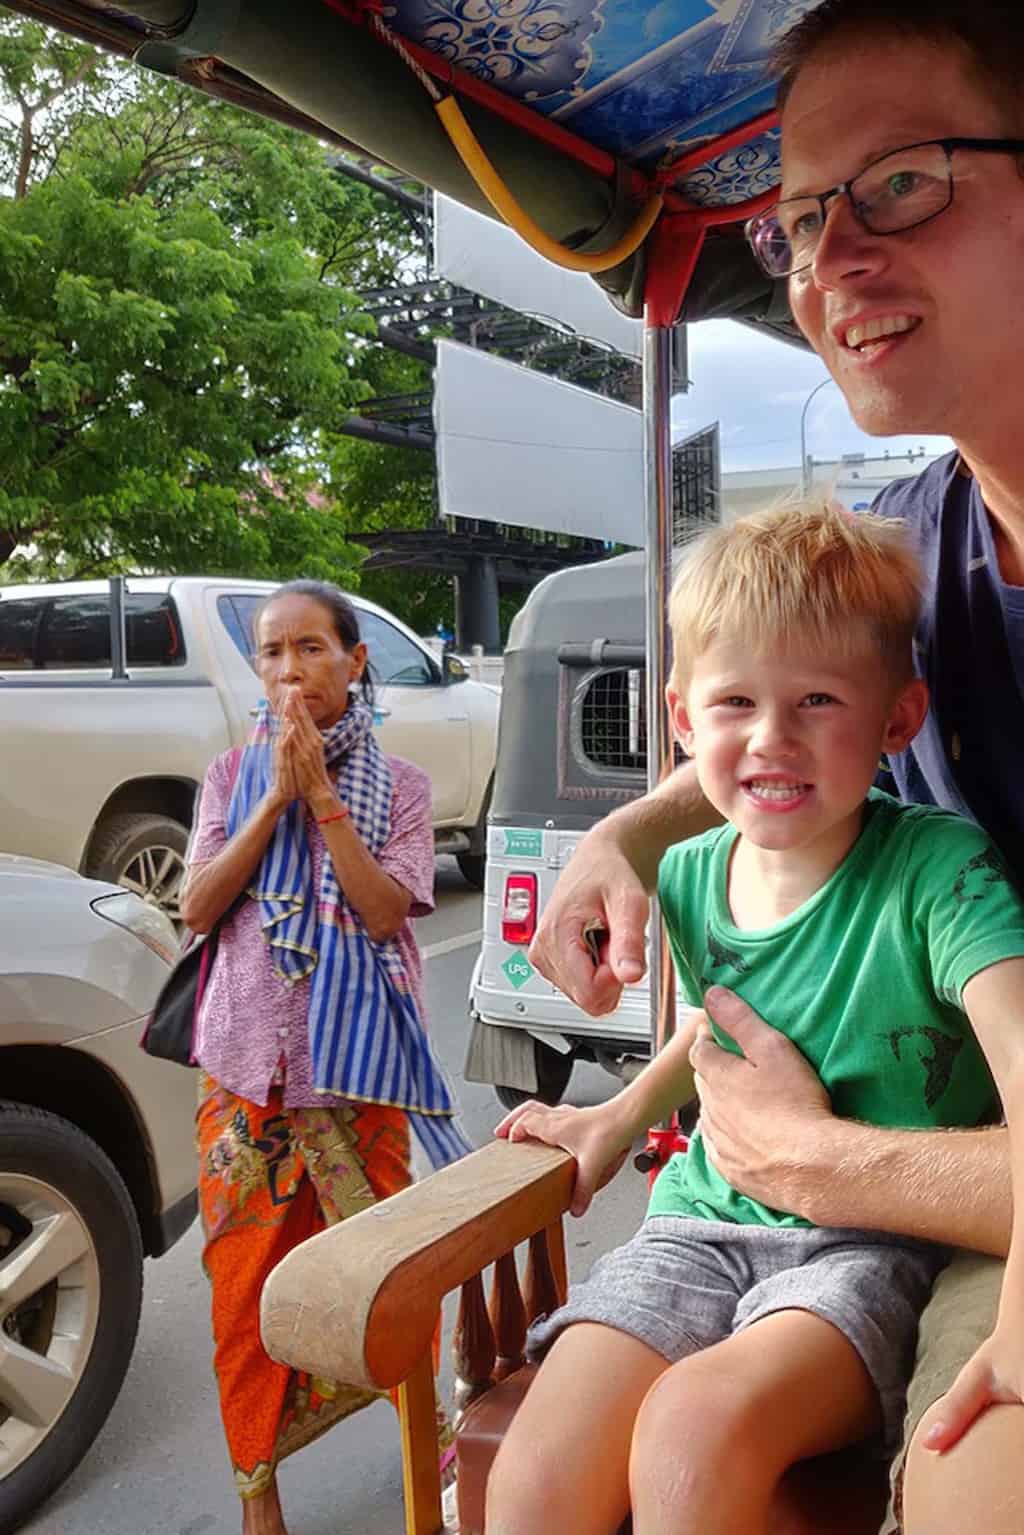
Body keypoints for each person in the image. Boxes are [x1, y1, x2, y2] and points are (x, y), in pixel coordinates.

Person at [528, 4, 1024, 1530]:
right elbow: (792, 736)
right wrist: (625, 831)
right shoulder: (916, 556)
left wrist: (816, 1159)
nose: (832, 265)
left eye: (906, 182)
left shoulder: (945, 889)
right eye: (805, 217)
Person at [485, 502, 1024, 1535]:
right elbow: (726, 1029)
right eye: (736, 701)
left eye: (817, 698)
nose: (771, 738)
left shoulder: (939, 875)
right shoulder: (688, 871)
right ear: (684, 721)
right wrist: (618, 1112)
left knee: (691, 1432)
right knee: (533, 1477)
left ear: (897, 720)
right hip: (698, 1217)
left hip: (868, 1236)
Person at [181, 579, 468, 1535]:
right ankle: (260, 1499)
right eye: (272, 651)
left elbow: (388, 910)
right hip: (247, 1079)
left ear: (354, 662)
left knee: (388, 1280)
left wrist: (325, 804)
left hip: (360, 1077)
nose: (290, 668)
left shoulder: (407, 788)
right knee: (243, 1298)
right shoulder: (228, 778)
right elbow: (197, 906)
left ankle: (424, 1446)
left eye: (311, 647)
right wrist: (272, 802)